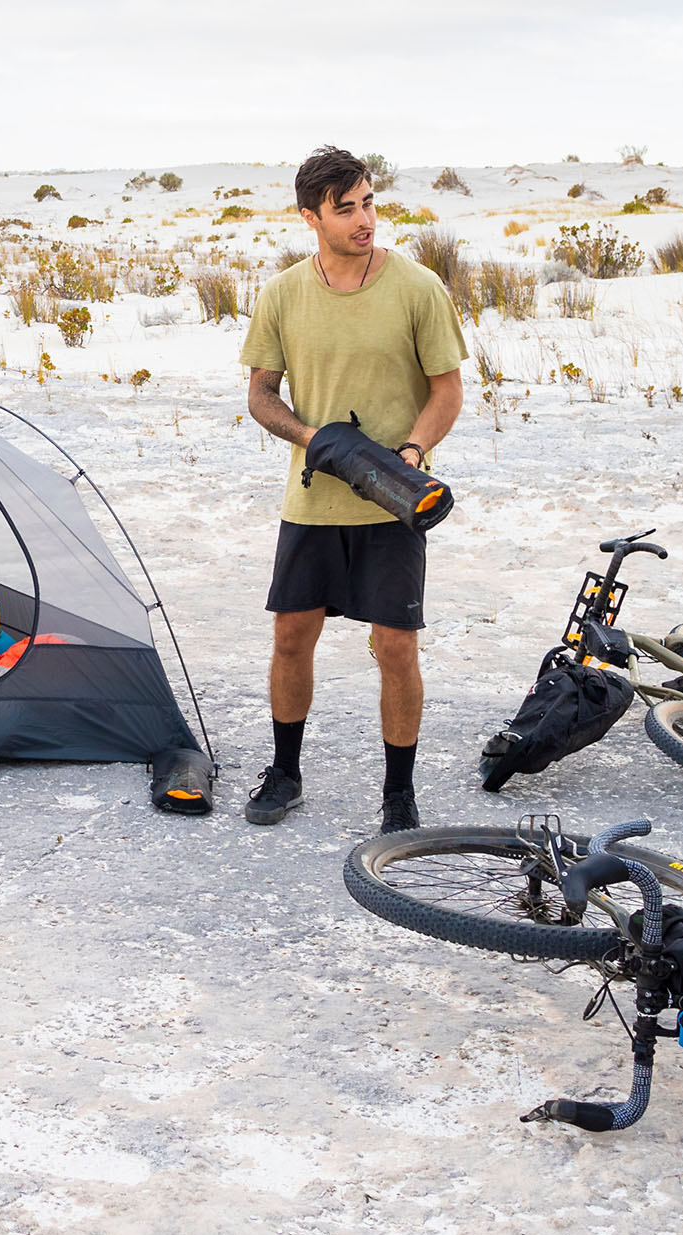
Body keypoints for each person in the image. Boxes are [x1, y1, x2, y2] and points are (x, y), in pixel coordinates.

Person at [238, 145, 466, 834]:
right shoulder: (282, 294)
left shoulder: (417, 288)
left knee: (396, 647)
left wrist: (411, 453)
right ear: (311, 217)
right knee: (290, 638)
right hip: (314, 498)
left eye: (368, 202)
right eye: (346, 209)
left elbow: (447, 392)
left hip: (395, 498)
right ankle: (285, 772)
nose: (364, 219)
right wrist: (315, 440)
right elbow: (260, 396)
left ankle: (398, 792)